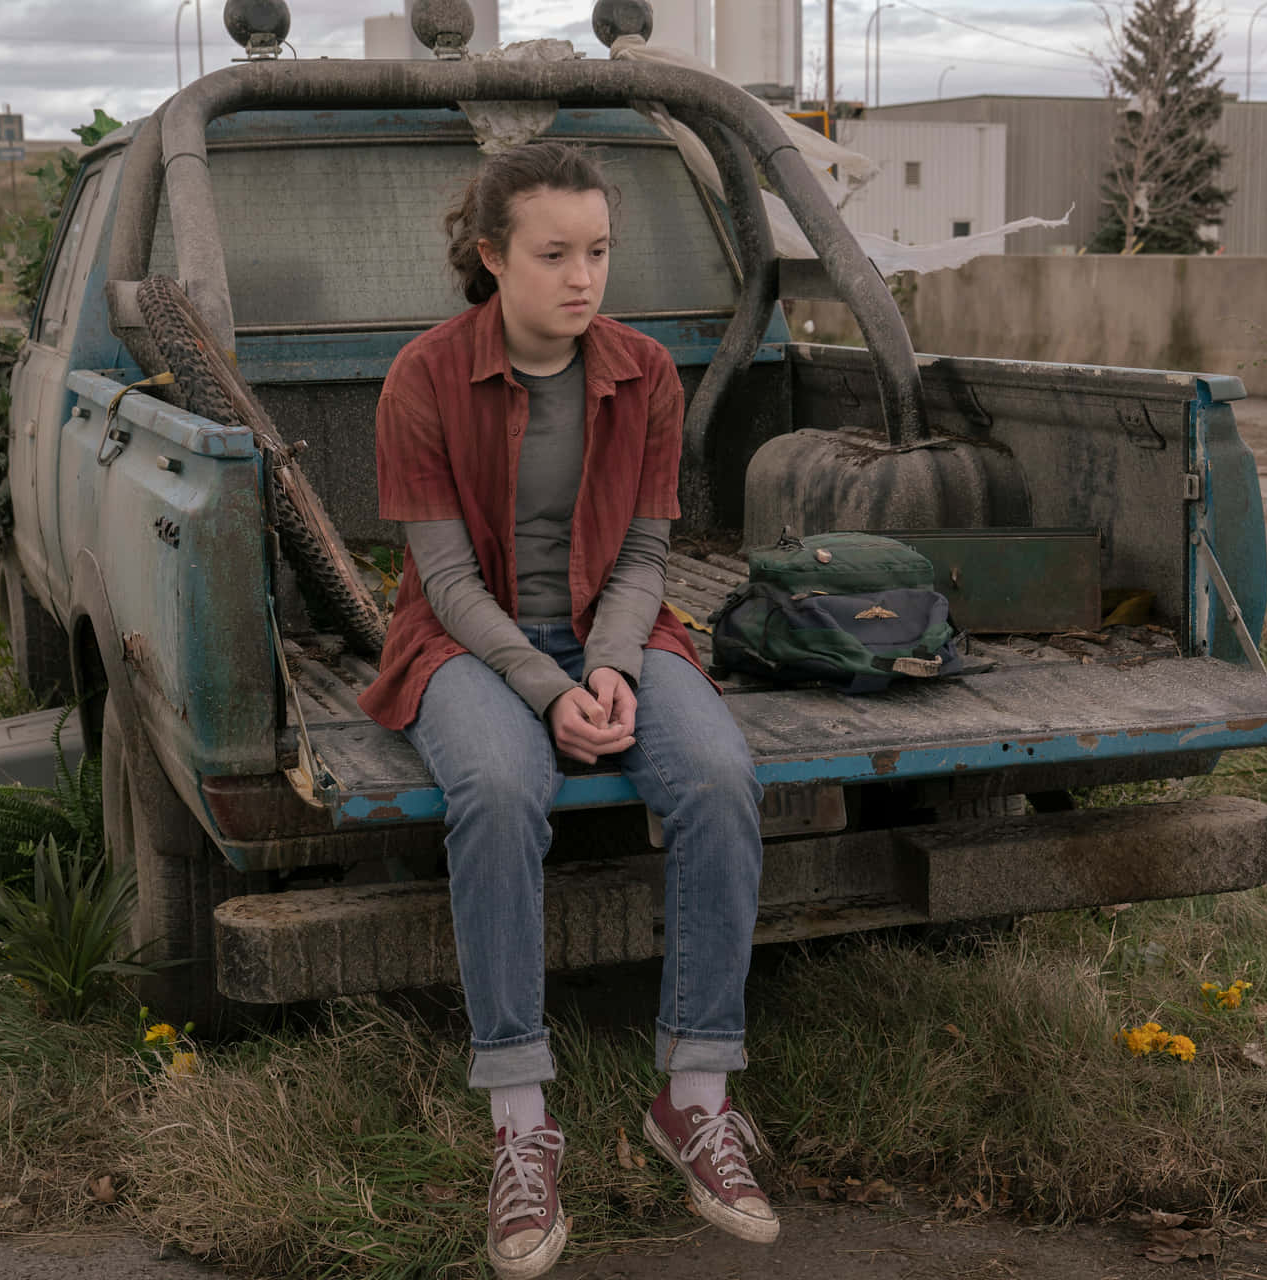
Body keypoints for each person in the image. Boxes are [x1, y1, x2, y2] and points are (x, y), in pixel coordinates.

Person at [356, 140, 777, 1278]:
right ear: (493, 257)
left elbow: (646, 554)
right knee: (496, 785)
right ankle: (522, 1120)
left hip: (615, 632)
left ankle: (692, 1095)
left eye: (597, 251)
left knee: (721, 778)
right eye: (554, 254)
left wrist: (612, 670)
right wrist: (547, 691)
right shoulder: (424, 377)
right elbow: (445, 584)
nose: (582, 277)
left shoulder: (644, 370)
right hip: (465, 641)